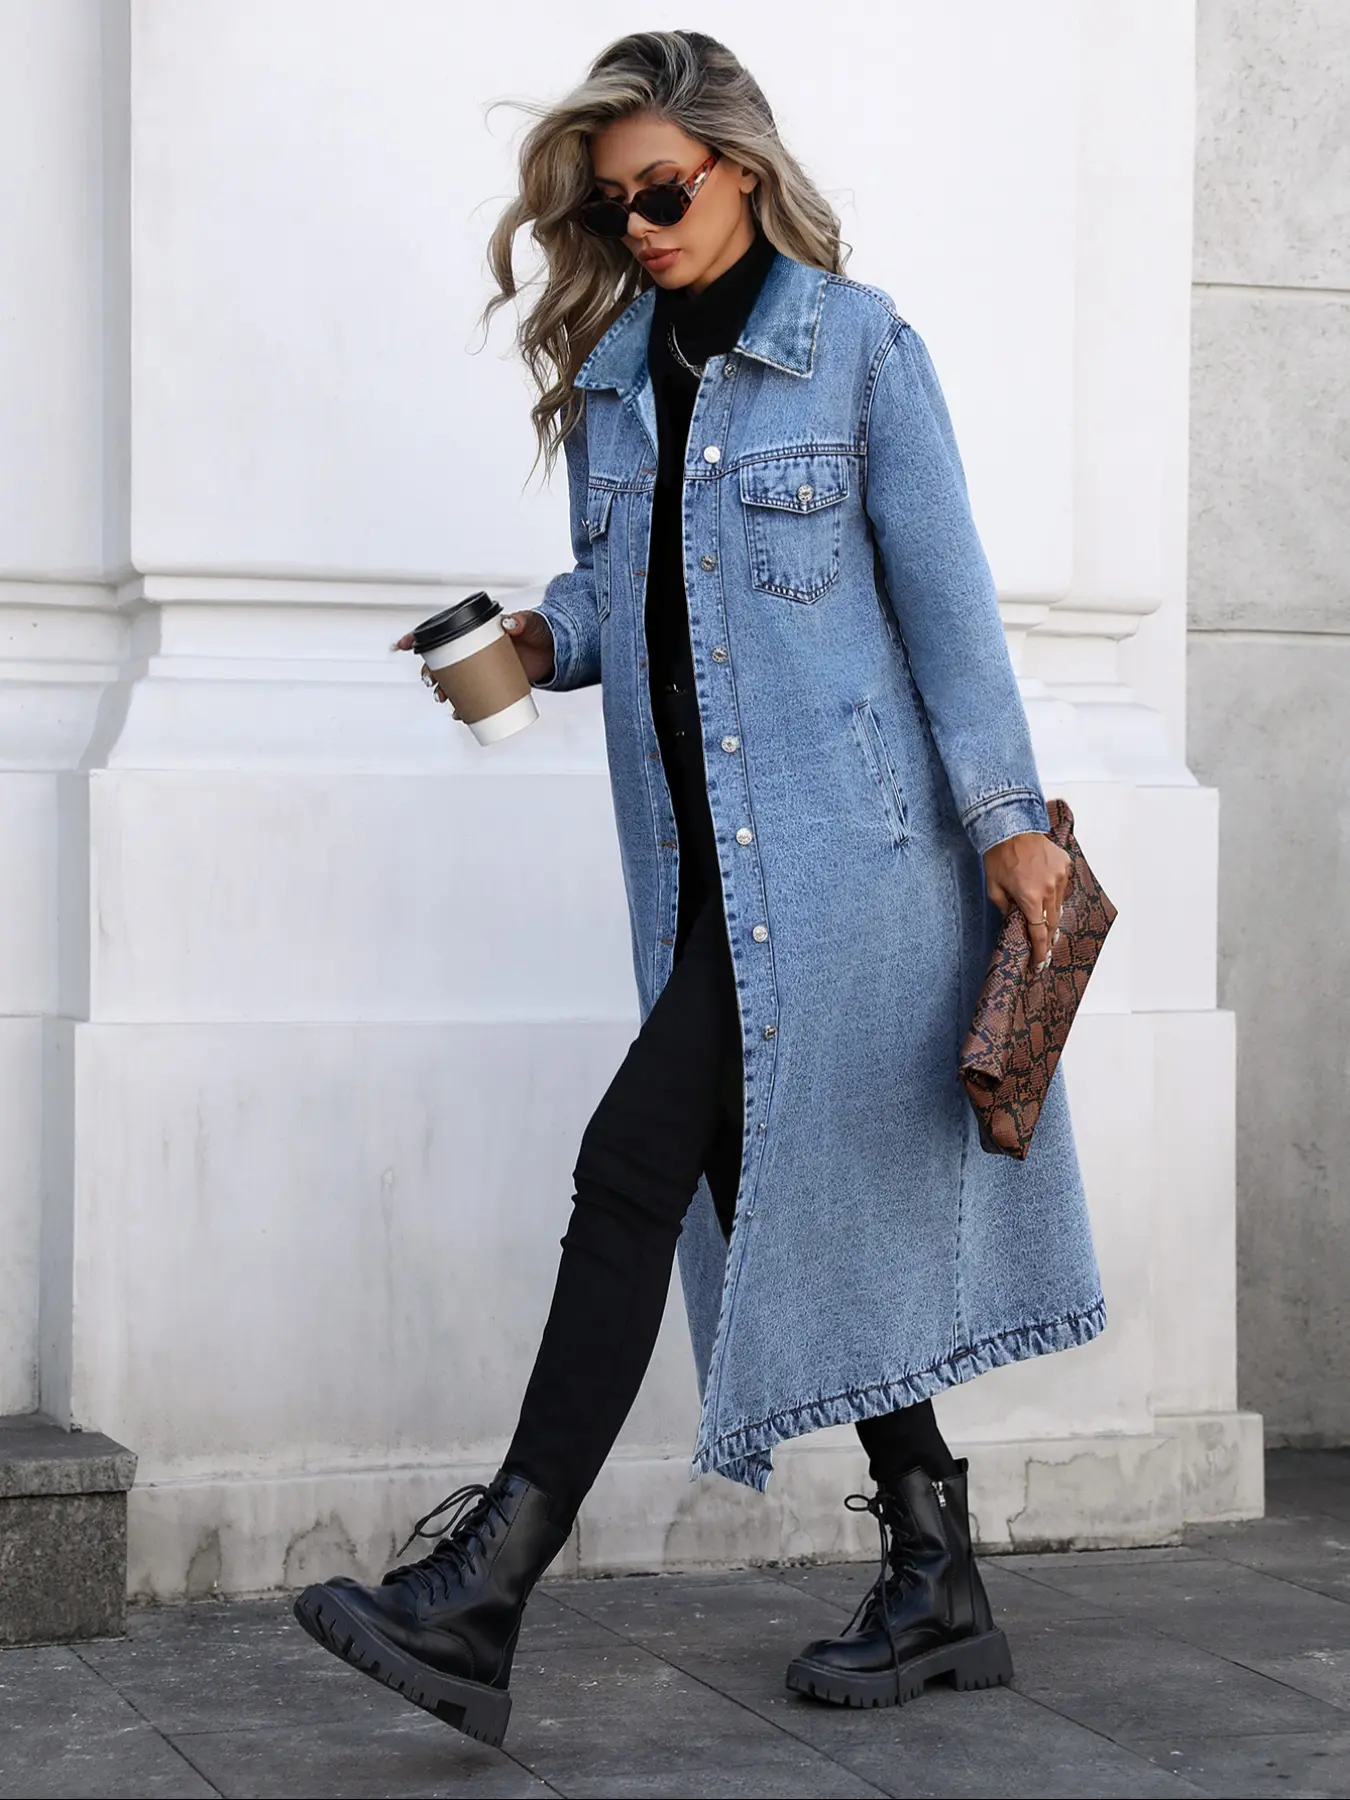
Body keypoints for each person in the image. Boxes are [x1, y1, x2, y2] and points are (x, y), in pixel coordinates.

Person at [293, 28, 1105, 1747]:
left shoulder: (859, 351)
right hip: (701, 883)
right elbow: (629, 591)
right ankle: (936, 1574)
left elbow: (948, 609)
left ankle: (482, 1591)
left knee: (628, 1169)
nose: (641, 227)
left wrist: (1006, 823)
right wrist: (536, 640)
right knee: (766, 1194)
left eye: (663, 191)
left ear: (741, 166)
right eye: (615, 205)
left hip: (849, 873)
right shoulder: (618, 373)